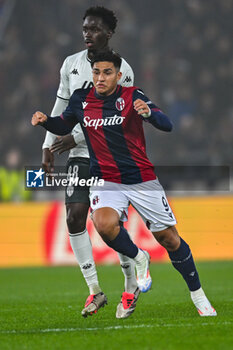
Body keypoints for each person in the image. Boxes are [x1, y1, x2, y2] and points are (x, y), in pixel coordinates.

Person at [32, 51, 217, 318]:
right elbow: (63, 124)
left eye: (107, 72)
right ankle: (139, 257)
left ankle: (198, 295)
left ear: (119, 76)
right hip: (106, 180)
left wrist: (149, 115)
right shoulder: (81, 100)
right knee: (103, 224)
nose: (100, 77)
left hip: (140, 177)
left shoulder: (132, 96)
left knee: (169, 239)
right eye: (96, 72)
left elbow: (167, 125)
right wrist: (45, 122)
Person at [41, 6, 148, 319]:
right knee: (75, 217)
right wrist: (48, 145)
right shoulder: (70, 65)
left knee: (109, 227)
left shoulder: (122, 69)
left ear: (109, 33)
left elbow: (119, 118)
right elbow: (61, 105)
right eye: (85, 28)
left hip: (111, 155)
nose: (87, 34)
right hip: (79, 156)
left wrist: (74, 138)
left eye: (94, 29)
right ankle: (95, 291)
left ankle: (130, 286)